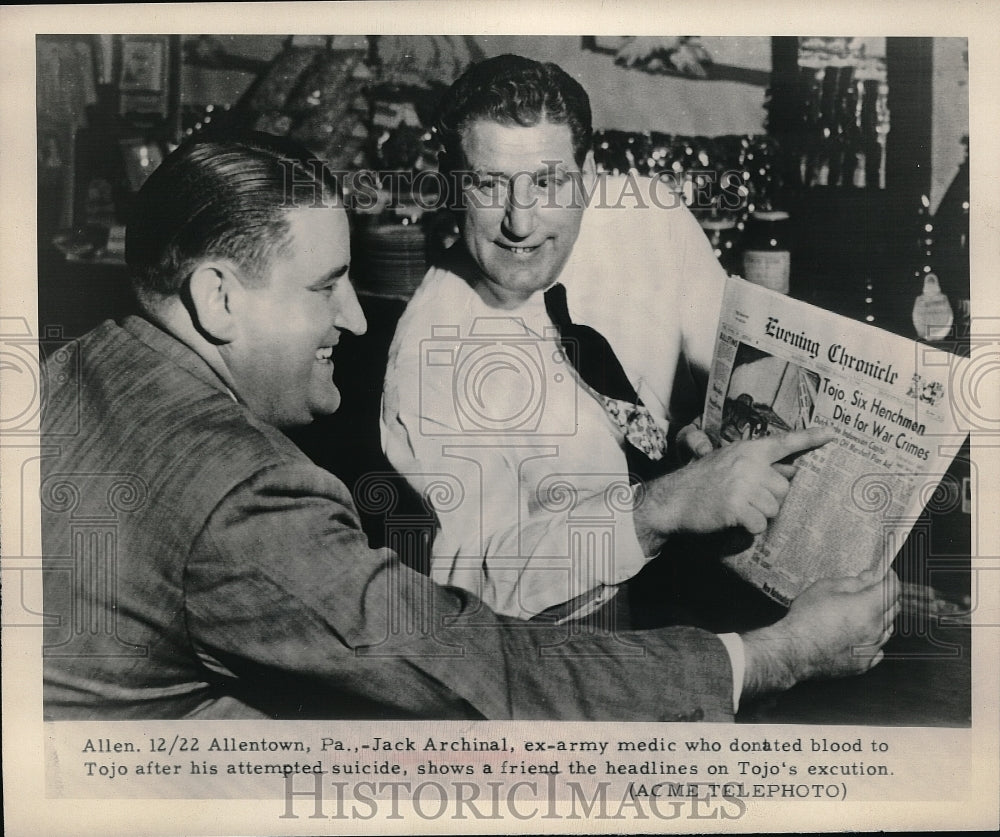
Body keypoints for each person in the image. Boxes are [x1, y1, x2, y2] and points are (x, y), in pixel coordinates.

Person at [41, 131, 897, 722]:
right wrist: (772, 655)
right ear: (218, 297)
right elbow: (478, 670)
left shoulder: (74, 367)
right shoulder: (241, 490)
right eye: (324, 286)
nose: (357, 317)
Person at [381, 54, 830, 622]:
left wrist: (711, 434)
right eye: (490, 185)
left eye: (547, 182)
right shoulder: (430, 353)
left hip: (715, 581)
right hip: (571, 637)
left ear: (587, 175)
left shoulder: (649, 218)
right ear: (452, 184)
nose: (521, 223)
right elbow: (473, 585)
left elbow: (730, 361)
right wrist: (660, 508)